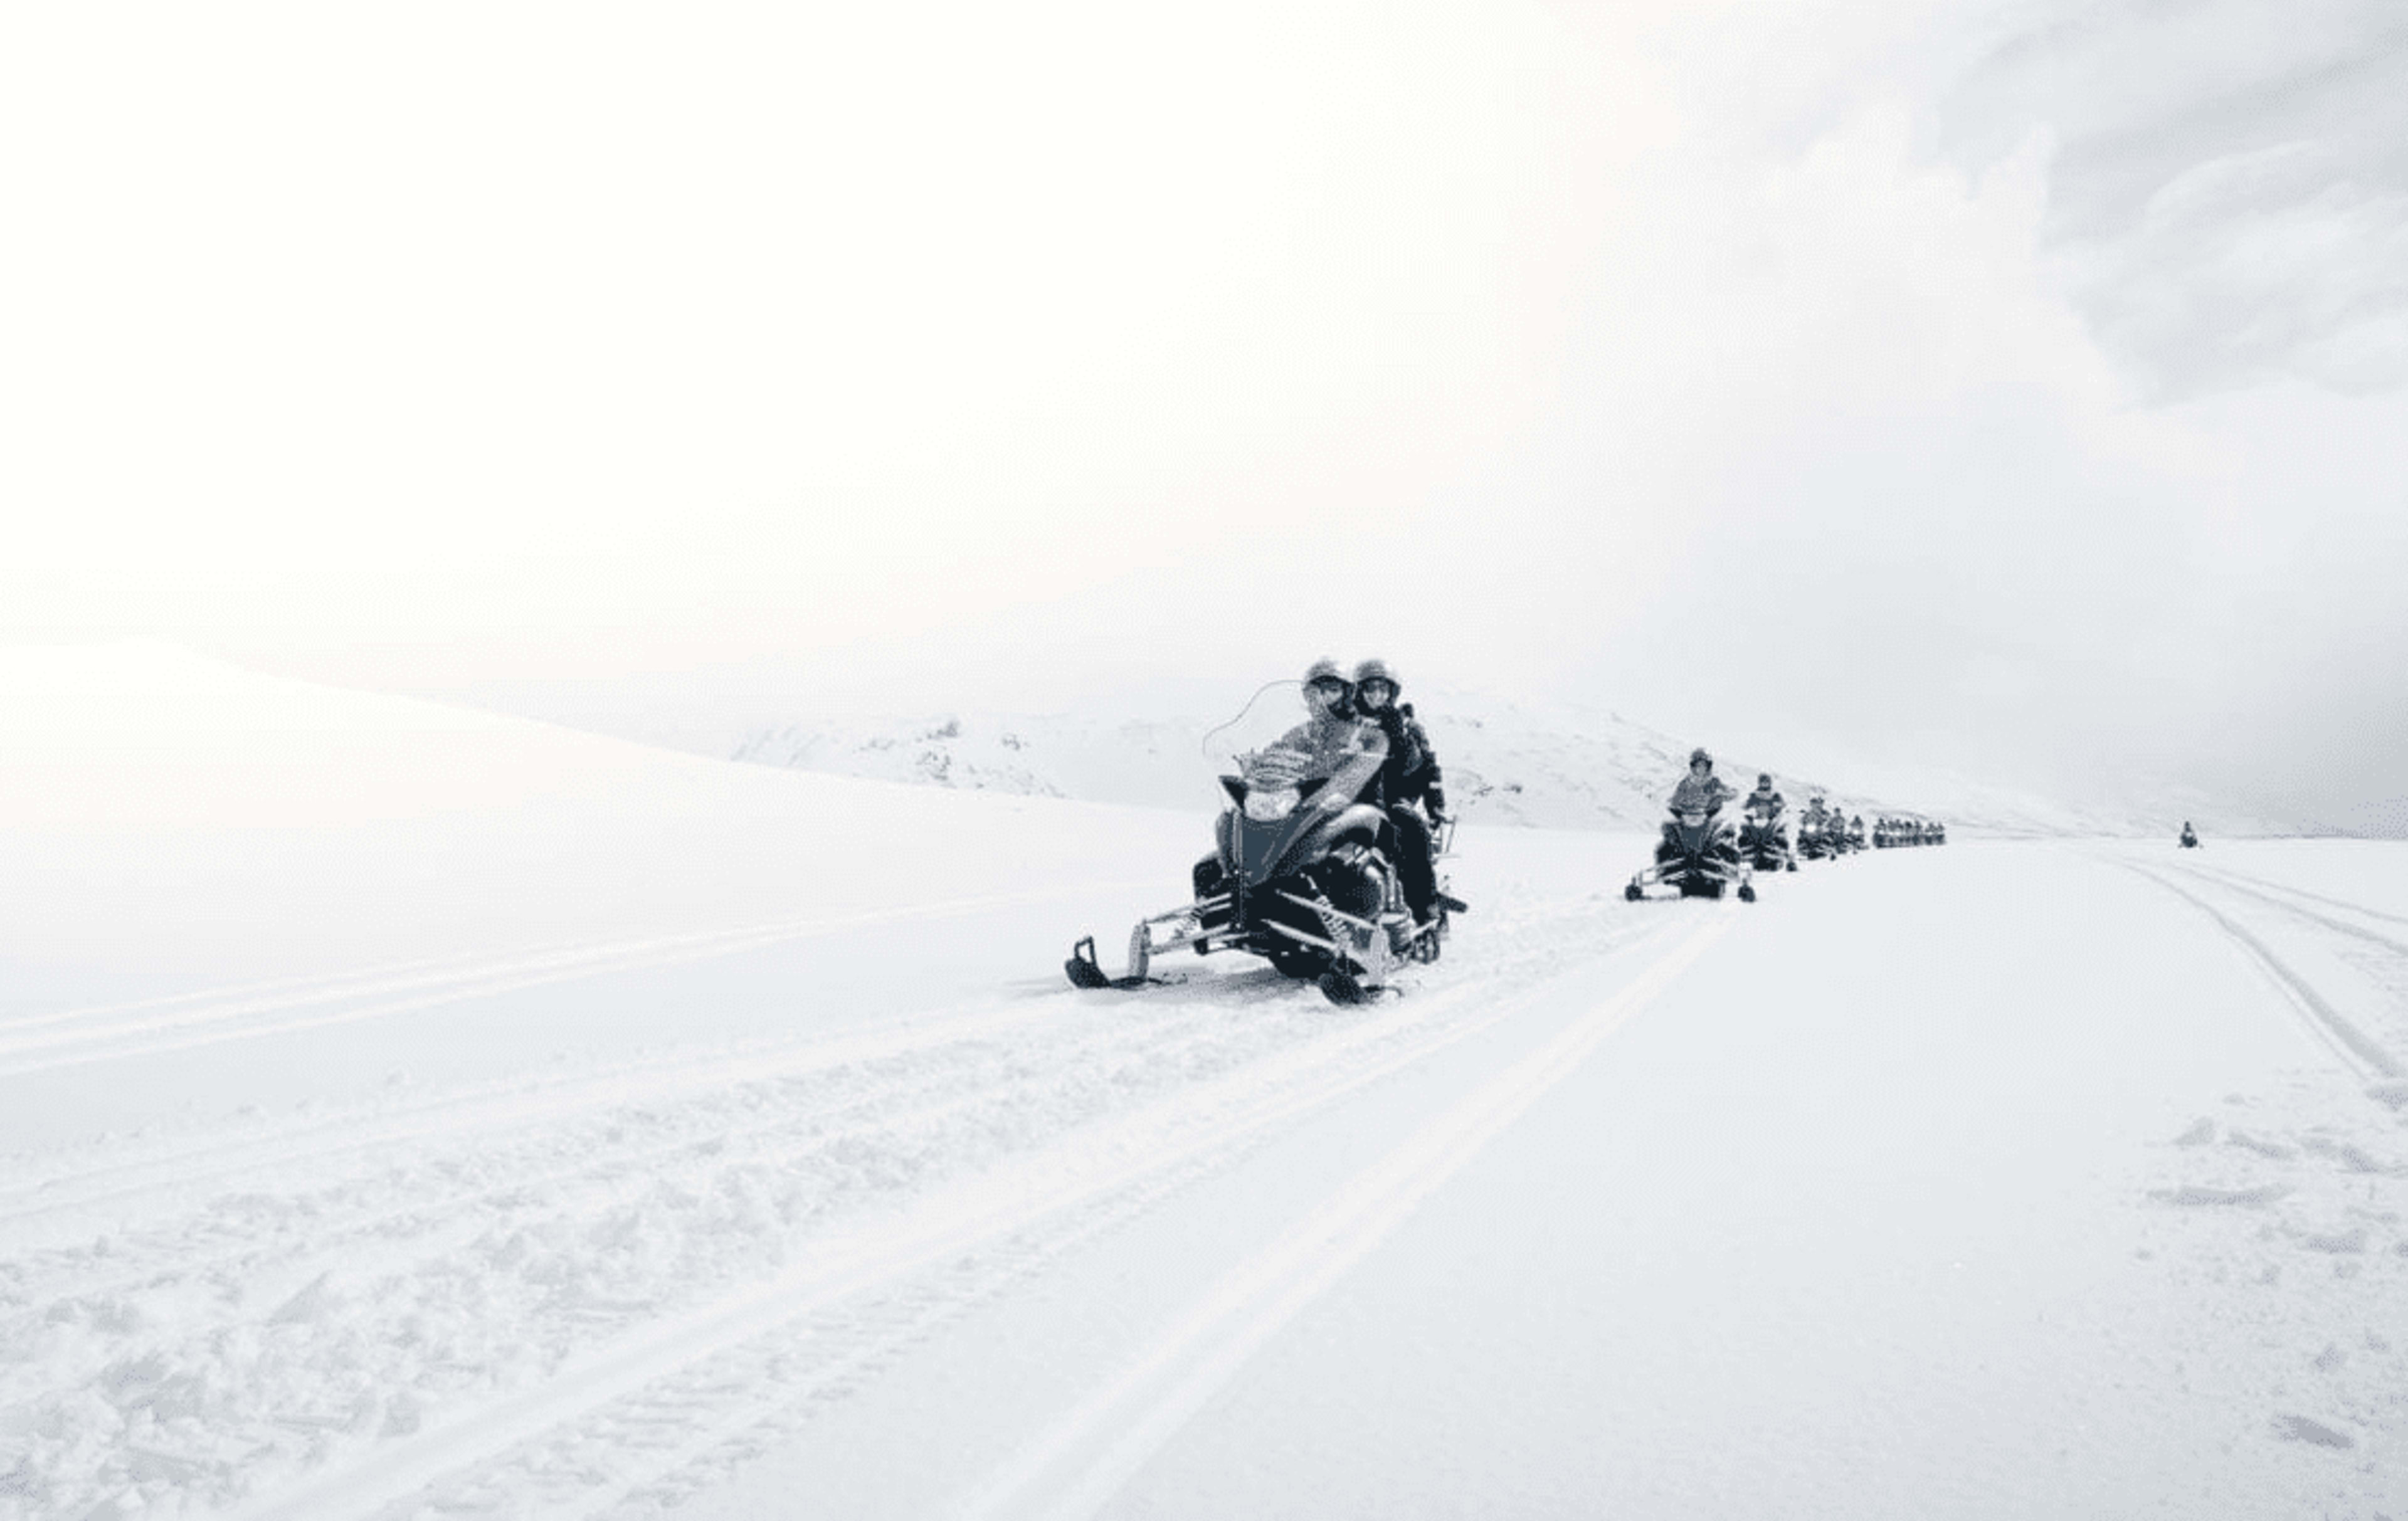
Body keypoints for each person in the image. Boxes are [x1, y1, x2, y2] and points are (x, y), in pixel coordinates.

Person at [1350, 658, 1447, 922]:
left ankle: (1425, 907)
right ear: (1359, 691)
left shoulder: (1405, 725)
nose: (1377, 695)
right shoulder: (1347, 722)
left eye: (1383, 689)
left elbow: (1421, 765)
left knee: (1412, 831)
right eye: (1371, 689)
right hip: (1350, 796)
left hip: (1393, 796)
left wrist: (1436, 804)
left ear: (1392, 693)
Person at [1259, 658, 1388, 819]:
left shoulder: (1366, 730)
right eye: (1318, 691)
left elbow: (1367, 765)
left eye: (1332, 690)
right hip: (1306, 806)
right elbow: (1280, 750)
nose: (1324, 697)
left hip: (1358, 807)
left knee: (1390, 827)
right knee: (1231, 819)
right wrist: (1261, 763)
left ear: (1347, 694)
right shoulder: (1304, 731)